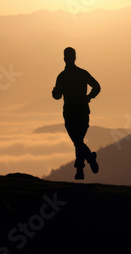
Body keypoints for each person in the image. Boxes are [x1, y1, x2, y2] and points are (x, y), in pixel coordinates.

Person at [52, 47, 101, 180]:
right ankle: (88, 160)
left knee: (78, 141)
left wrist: (55, 92)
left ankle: (80, 170)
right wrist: (88, 97)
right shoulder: (82, 73)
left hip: (70, 112)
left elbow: (57, 95)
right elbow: (97, 87)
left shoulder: (62, 76)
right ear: (74, 58)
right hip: (81, 111)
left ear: (64, 58)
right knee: (78, 141)